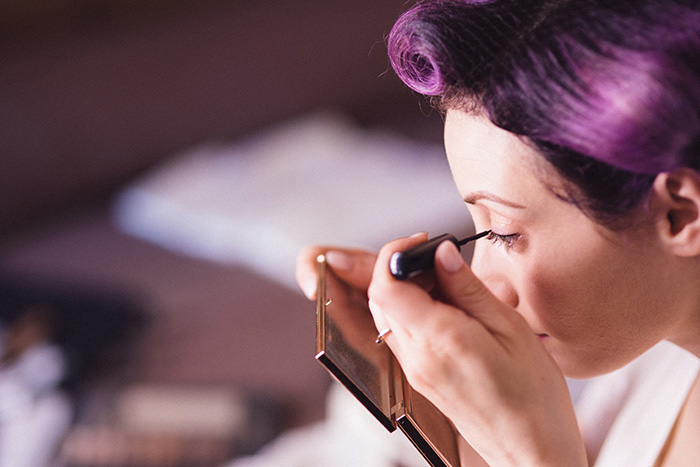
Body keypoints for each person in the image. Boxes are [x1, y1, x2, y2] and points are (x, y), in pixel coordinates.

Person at [296, 0, 700, 465]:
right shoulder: (654, 345)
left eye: (504, 234)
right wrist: (445, 398)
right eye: (478, 229)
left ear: (679, 214)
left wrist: (531, 454)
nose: (483, 282)